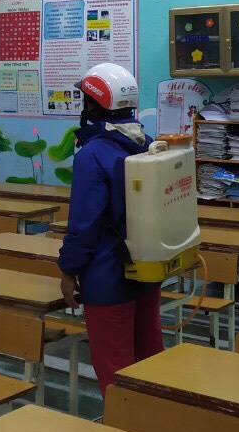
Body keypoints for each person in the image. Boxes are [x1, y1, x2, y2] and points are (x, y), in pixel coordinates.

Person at [57, 62, 162, 395]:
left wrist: (68, 270)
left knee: (115, 369)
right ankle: (157, 424)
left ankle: (124, 426)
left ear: (93, 105)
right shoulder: (148, 144)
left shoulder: (93, 155)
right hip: (147, 269)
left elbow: (83, 226)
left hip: (107, 276)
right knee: (150, 361)